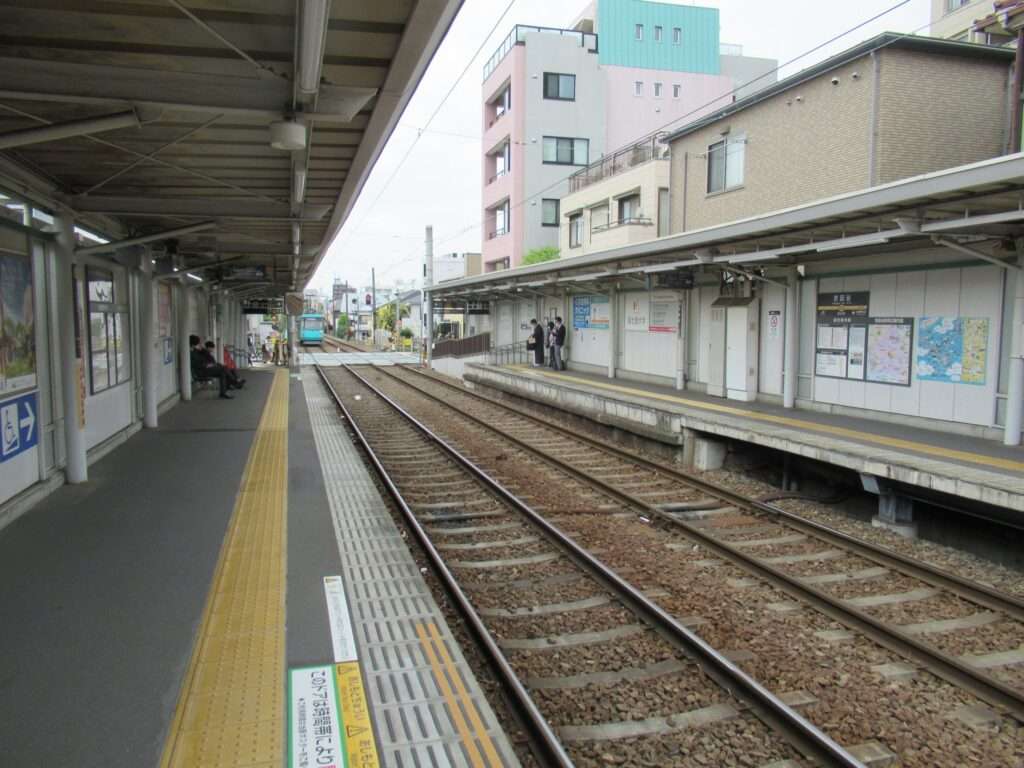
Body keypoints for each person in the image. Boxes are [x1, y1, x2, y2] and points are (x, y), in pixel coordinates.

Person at [189, 334, 232, 399]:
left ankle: (223, 392)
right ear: (193, 344)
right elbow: (196, 364)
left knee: (222, 371)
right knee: (223, 369)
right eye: (198, 343)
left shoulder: (196, 351)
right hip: (201, 371)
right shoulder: (191, 353)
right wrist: (207, 365)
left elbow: (209, 357)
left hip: (205, 369)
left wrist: (202, 348)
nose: (199, 345)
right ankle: (233, 382)